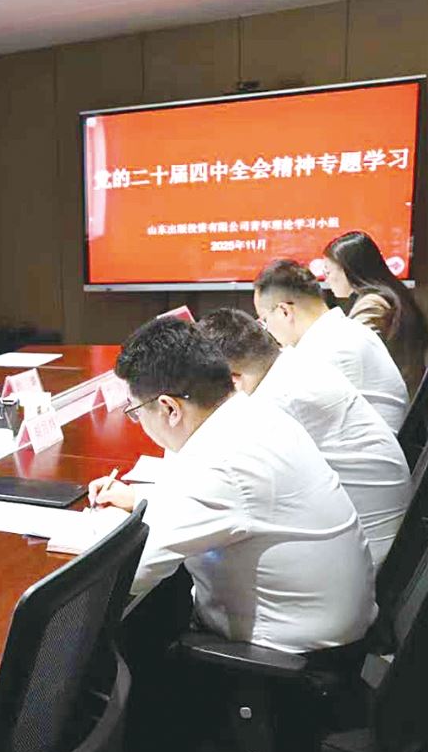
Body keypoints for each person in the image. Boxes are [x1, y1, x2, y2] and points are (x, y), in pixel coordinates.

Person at [90, 317, 375, 654]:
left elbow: (131, 575)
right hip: (334, 626)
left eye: (136, 411)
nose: (138, 422)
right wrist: (139, 496)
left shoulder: (218, 464)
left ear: (169, 408)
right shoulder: (254, 415)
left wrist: (98, 529)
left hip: (283, 657)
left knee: (130, 633)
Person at [198, 308, 410, 566]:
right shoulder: (296, 365)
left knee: (206, 554)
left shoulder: (277, 402)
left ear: (233, 380)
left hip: (362, 557)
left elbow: (222, 487)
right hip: (378, 536)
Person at [253, 258, 409, 431]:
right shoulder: (341, 332)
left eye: (265, 320)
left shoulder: (327, 349)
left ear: (284, 312)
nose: (268, 330)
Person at [321, 230, 428, 393]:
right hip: (402, 392)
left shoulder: (373, 303)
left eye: (328, 272)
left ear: (348, 269)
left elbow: (350, 355)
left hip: (385, 398)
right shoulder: (391, 293)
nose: (326, 279)